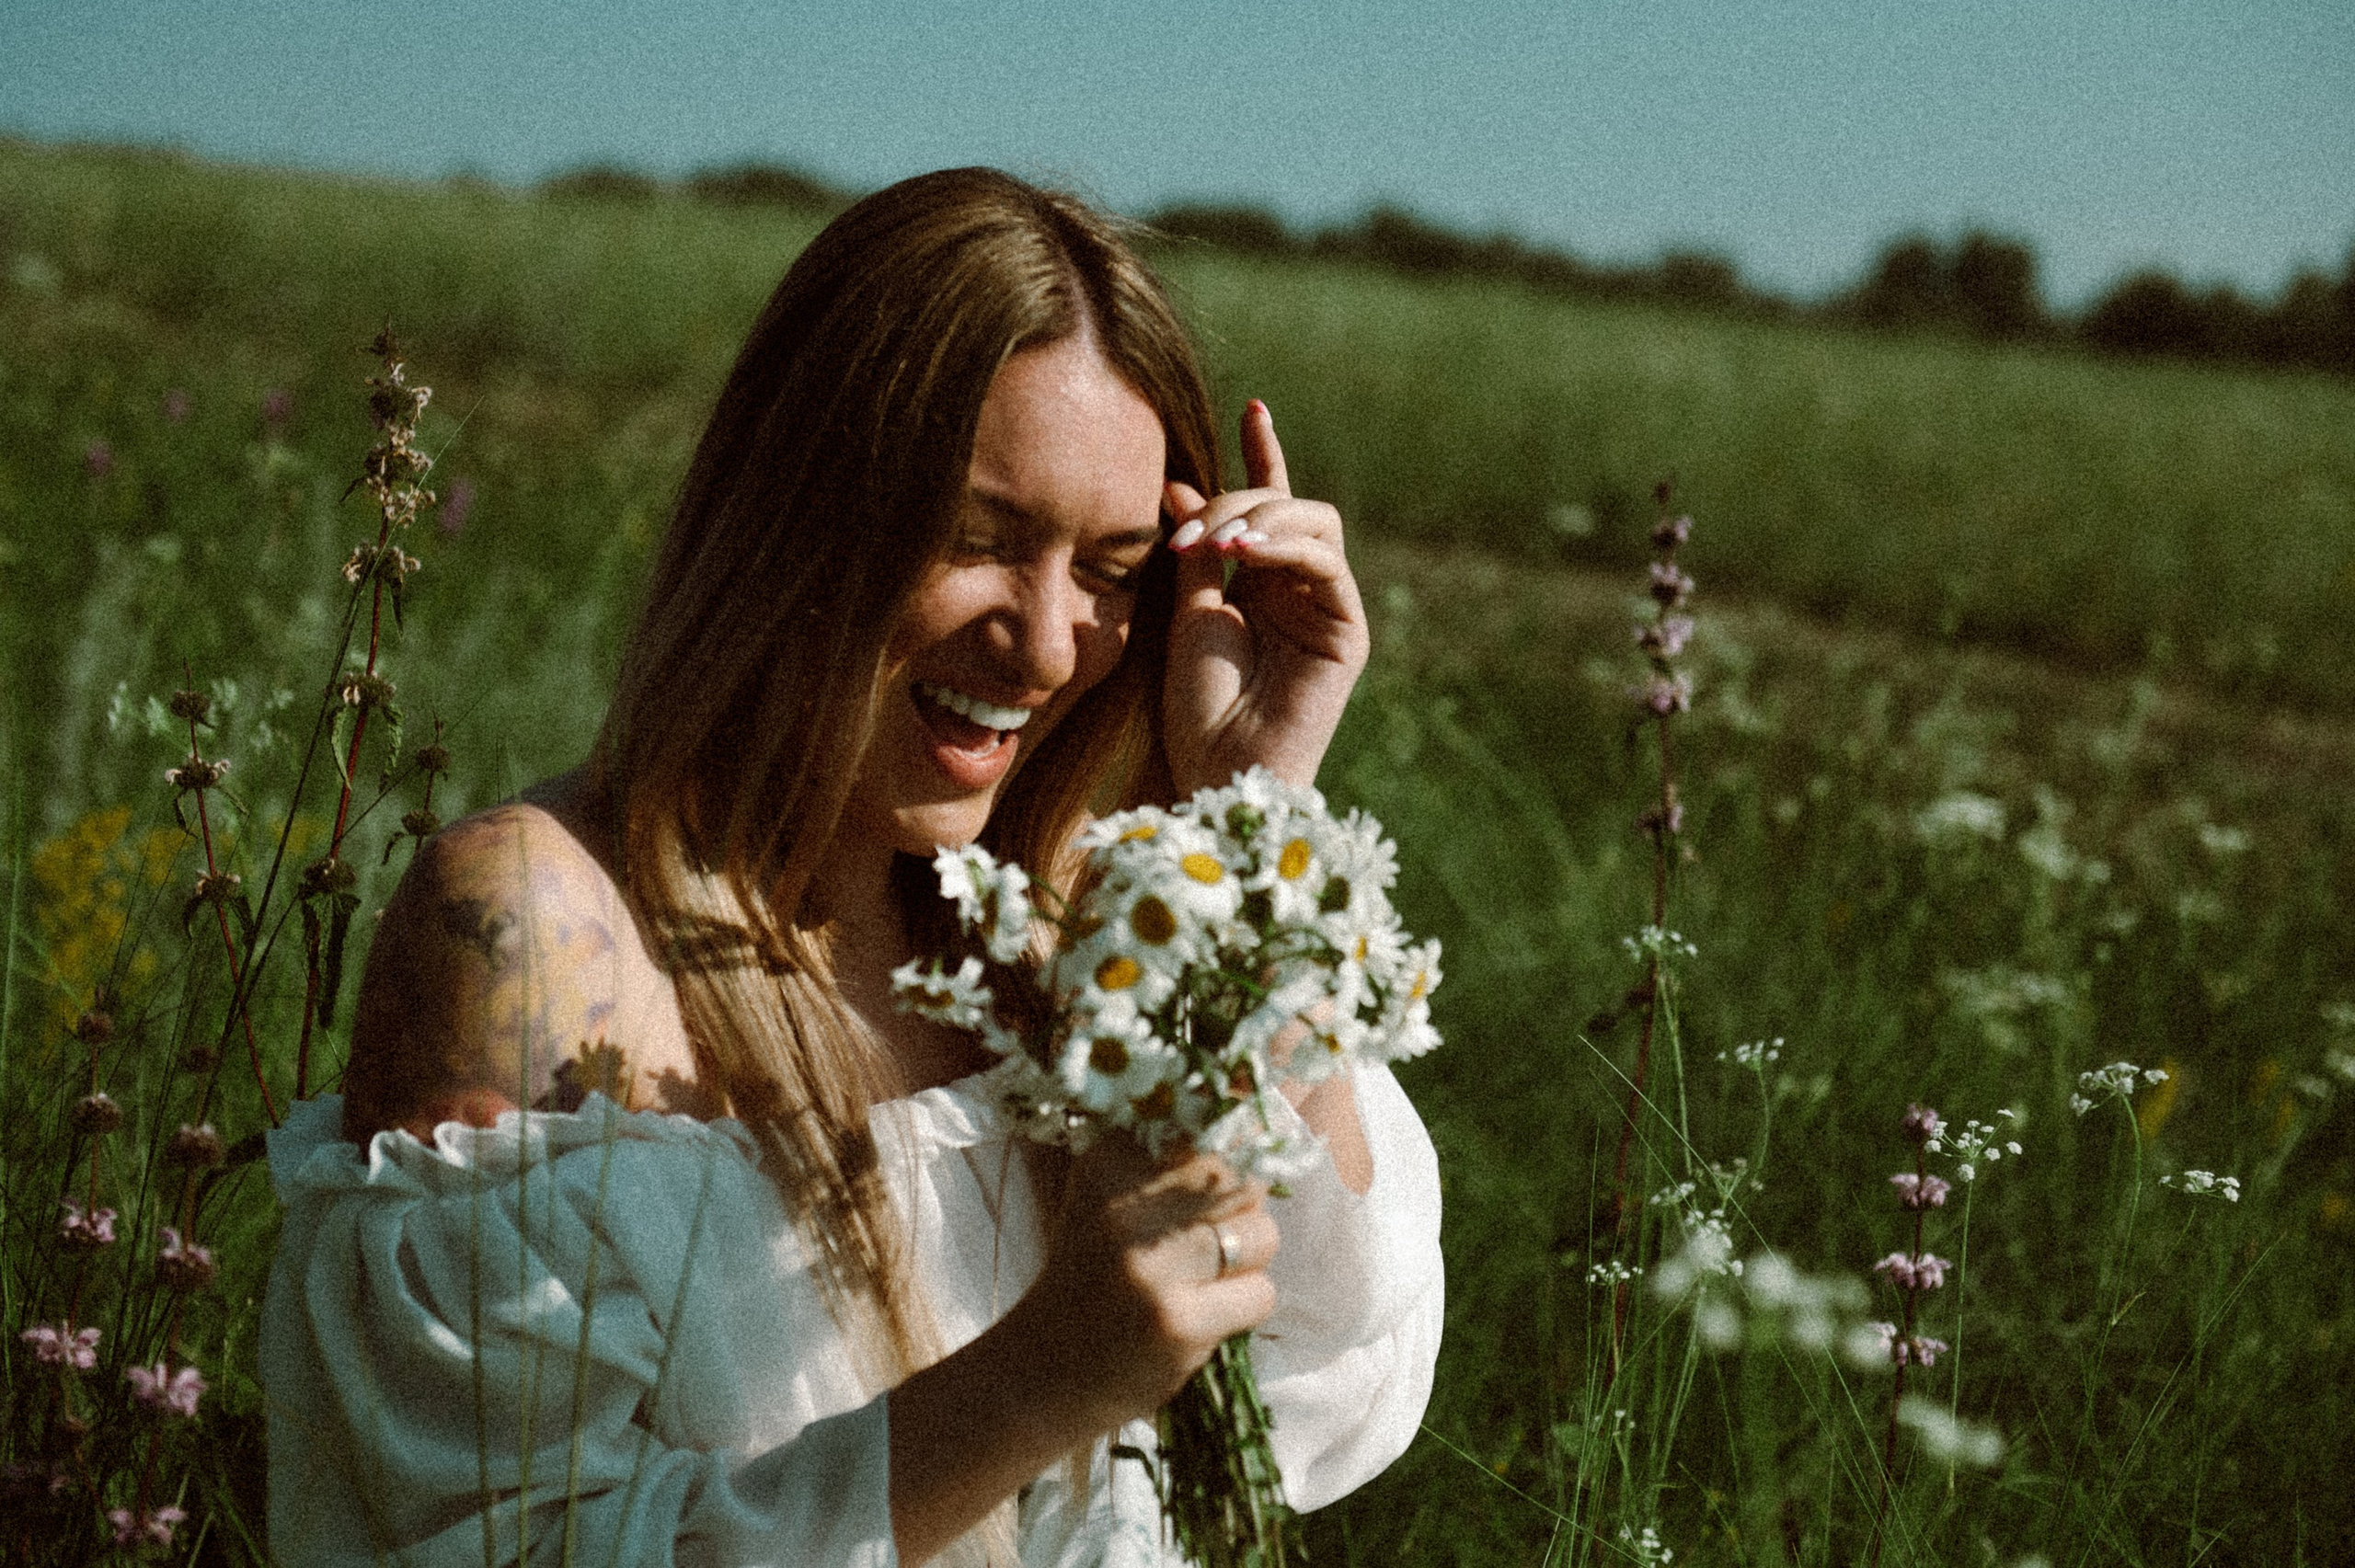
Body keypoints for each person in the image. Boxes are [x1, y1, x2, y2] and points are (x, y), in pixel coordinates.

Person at [260, 166, 1443, 1568]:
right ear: (799, 512)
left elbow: (1330, 1373)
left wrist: (1250, 817)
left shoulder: (1081, 929)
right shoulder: (536, 937)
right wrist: (1035, 1379)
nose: (1051, 645)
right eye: (979, 539)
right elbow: (484, 1548)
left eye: (1115, 568)